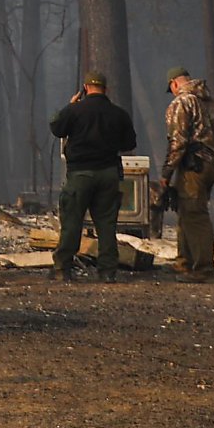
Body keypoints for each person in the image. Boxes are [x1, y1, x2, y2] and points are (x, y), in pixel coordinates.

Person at [47, 71, 138, 282]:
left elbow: (56, 128)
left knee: (72, 222)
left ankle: (63, 268)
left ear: (85, 88)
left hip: (80, 174)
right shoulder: (119, 114)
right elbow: (130, 143)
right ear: (106, 89)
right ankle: (107, 271)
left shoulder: (75, 110)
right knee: (106, 225)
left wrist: (70, 106)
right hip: (108, 173)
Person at [161, 66, 214, 283]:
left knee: (195, 214)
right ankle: (184, 262)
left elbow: (178, 141)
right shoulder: (210, 103)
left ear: (174, 83)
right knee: (186, 209)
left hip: (193, 166)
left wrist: (167, 172)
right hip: (211, 164)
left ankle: (203, 269)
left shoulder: (182, 103)